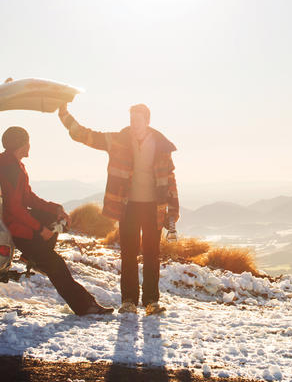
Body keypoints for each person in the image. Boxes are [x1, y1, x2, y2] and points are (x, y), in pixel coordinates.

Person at [58, 103, 179, 315]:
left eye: (137, 120)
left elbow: (170, 179)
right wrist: (65, 116)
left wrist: (173, 211)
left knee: (152, 254)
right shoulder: (117, 140)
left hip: (154, 208)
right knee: (128, 254)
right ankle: (129, 301)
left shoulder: (161, 145)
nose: (133, 124)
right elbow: (86, 136)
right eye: (131, 119)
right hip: (128, 207)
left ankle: (152, 301)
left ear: (147, 121)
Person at [0, 126, 113, 316]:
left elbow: (28, 198)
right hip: (16, 228)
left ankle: (34, 257)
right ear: (21, 144)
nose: (30, 145)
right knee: (55, 265)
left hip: (17, 222)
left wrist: (56, 209)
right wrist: (39, 229)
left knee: (53, 217)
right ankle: (86, 306)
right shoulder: (9, 168)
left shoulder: (15, 165)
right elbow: (15, 209)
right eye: (28, 141)